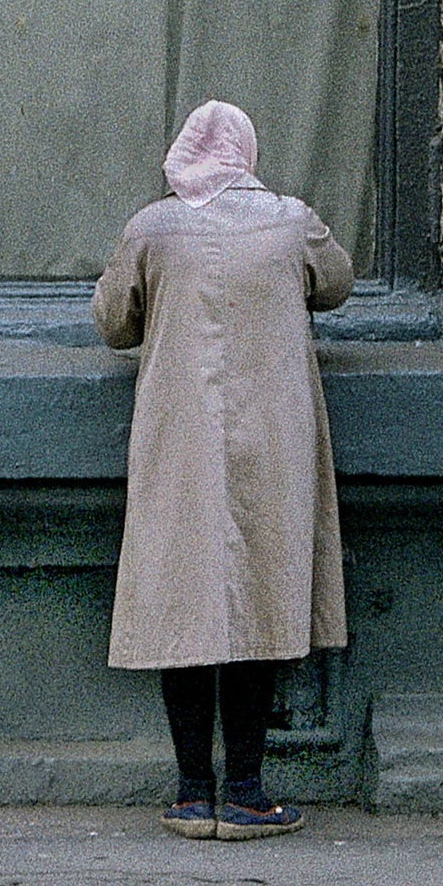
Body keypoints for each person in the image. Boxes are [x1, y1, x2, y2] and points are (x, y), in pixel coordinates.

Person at [92, 98, 354, 841]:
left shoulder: (151, 228)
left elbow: (113, 322)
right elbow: (335, 285)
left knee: (183, 604)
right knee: (263, 597)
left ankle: (189, 792)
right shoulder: (291, 221)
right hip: (273, 435)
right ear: (246, 151)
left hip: (179, 436)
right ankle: (246, 793)